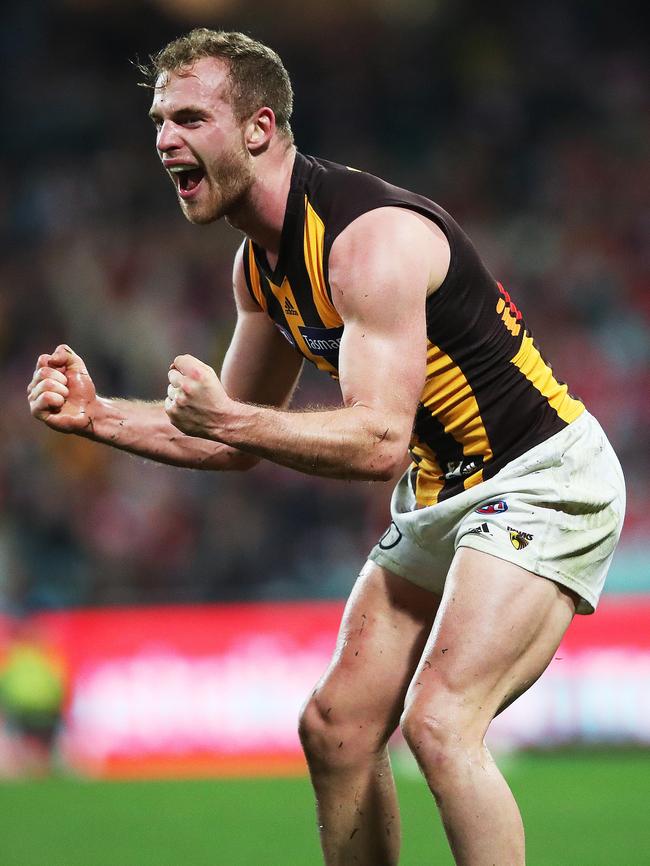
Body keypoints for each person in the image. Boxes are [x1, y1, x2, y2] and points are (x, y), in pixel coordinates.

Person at [27, 28, 625, 866]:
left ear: (260, 128)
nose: (165, 138)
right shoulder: (259, 269)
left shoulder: (367, 240)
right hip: (440, 493)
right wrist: (99, 418)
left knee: (441, 723)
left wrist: (230, 419)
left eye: (191, 117)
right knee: (337, 728)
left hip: (540, 478)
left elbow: (375, 439)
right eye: (160, 120)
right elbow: (229, 440)